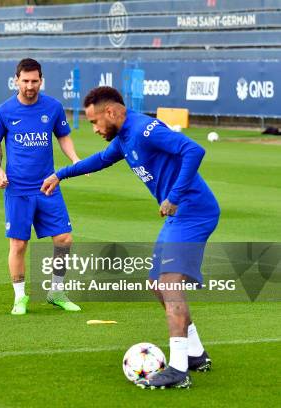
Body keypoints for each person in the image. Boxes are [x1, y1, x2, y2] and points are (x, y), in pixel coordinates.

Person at [41, 86, 219, 389]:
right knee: (156, 284)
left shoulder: (144, 130)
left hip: (193, 211)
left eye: (95, 122)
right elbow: (99, 159)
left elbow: (193, 150)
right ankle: (194, 353)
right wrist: (61, 174)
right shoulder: (124, 138)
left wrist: (174, 196)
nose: (95, 129)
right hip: (179, 214)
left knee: (169, 283)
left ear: (111, 112)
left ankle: (177, 369)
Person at [0, 58, 83, 315]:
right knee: (19, 244)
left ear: (41, 80)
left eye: (34, 81)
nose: (30, 86)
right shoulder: (4, 111)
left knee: (64, 239)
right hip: (18, 189)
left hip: (48, 186)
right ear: (16, 80)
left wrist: (75, 160)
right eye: (25, 81)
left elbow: (62, 136)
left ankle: (56, 291)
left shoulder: (53, 107)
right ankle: (20, 297)